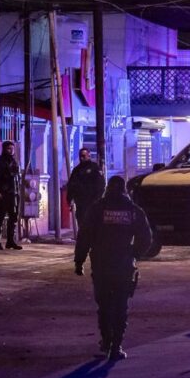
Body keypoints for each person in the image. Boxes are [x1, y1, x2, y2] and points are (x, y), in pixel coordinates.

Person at [74, 176, 152, 360]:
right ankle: (116, 346)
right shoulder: (133, 211)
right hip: (123, 265)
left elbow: (84, 235)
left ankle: (106, 341)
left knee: (104, 305)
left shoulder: (98, 208)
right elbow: (146, 238)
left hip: (101, 264)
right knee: (120, 306)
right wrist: (134, 253)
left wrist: (79, 261)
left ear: (108, 188)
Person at [0, 141, 22, 250]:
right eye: (8, 149)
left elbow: (17, 176)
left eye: (12, 149)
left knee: (13, 216)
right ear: (4, 149)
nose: (11, 151)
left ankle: (10, 240)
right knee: (0, 216)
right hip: (3, 192)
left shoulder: (14, 161)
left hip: (13, 192)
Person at [67, 147, 105, 229]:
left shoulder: (95, 168)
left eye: (84, 156)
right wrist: (69, 199)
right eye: (80, 156)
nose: (82, 158)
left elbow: (101, 185)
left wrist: (97, 200)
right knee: (81, 222)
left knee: (92, 223)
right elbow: (71, 185)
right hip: (80, 202)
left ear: (88, 156)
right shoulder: (76, 170)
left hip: (92, 202)